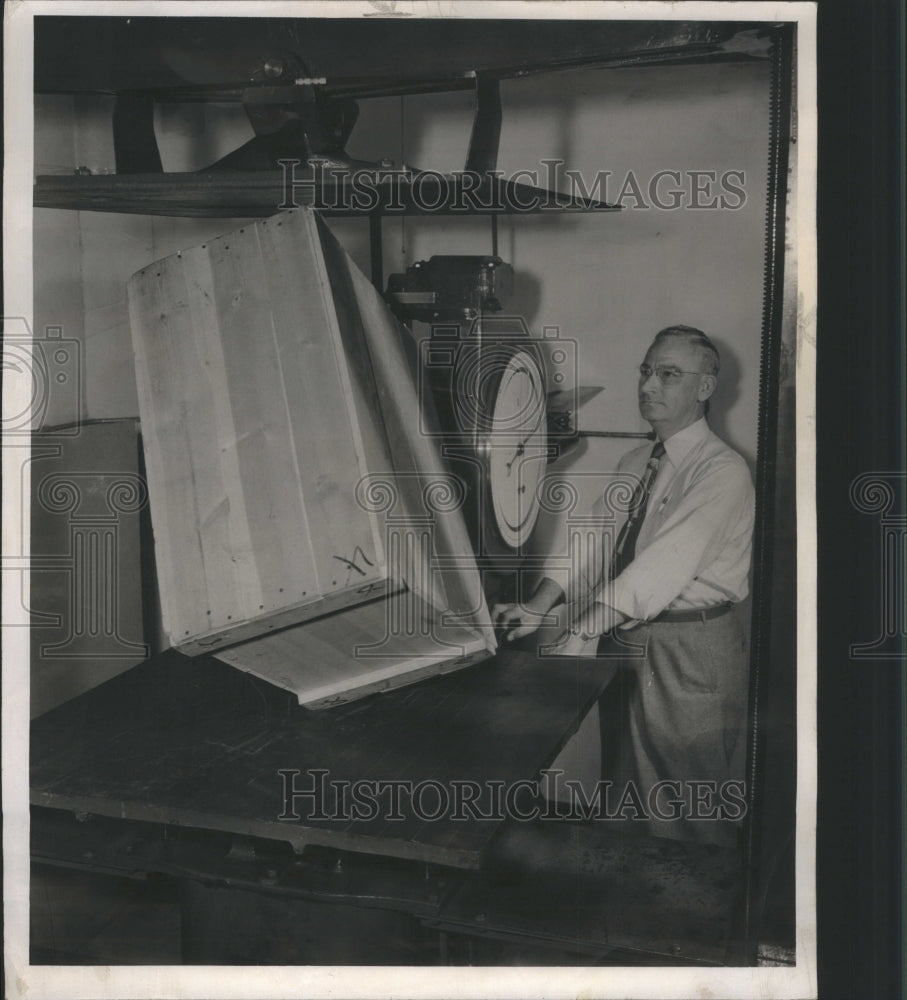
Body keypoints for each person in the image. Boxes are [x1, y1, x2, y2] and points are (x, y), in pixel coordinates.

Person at [493, 326, 755, 845]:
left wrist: (585, 628)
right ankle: (634, 905)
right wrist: (539, 607)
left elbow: (662, 565)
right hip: (629, 639)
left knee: (687, 790)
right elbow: (592, 541)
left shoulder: (722, 472)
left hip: (691, 648)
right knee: (626, 781)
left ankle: (695, 916)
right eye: (646, 370)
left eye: (669, 374)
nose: (649, 385)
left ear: (704, 388)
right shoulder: (637, 462)